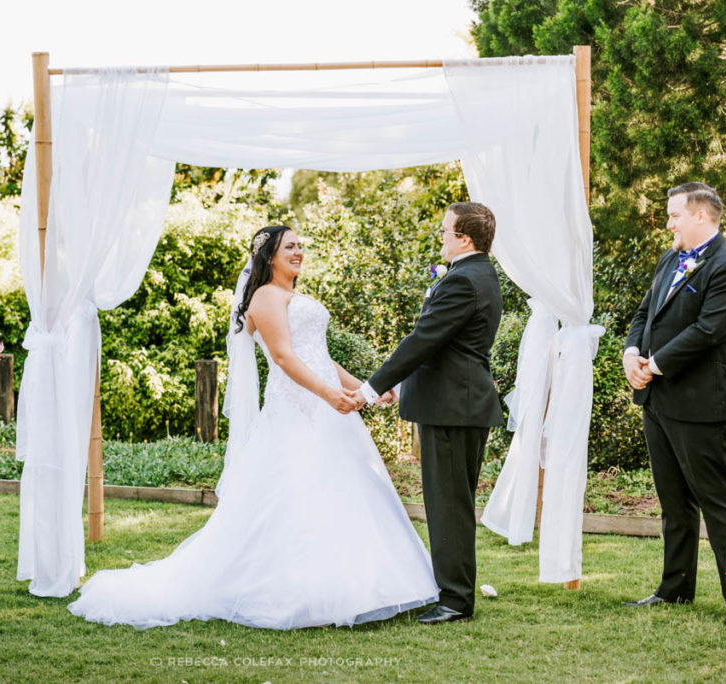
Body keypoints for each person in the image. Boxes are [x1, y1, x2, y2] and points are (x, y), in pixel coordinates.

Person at [68, 225, 439, 629]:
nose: (298, 252)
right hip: (295, 410)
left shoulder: (295, 297)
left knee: (343, 489)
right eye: (289, 246)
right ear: (269, 256)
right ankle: (296, 591)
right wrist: (328, 395)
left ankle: (359, 585)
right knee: (295, 493)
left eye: (300, 246)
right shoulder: (264, 296)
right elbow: (282, 357)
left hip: (326, 409)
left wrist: (365, 388)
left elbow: (320, 357)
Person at [355, 201, 505, 624]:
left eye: (444, 231)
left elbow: (423, 340)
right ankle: (453, 592)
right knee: (450, 503)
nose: (440, 236)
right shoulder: (476, 274)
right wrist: (401, 385)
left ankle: (455, 600)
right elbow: (445, 346)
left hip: (453, 408)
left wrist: (370, 388)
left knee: (448, 505)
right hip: (456, 403)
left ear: (464, 238)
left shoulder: (464, 281)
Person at [621, 182, 726, 624]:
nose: (668, 223)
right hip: (658, 399)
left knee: (718, 502)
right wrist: (631, 355)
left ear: (701, 215)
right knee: (673, 501)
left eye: (674, 215)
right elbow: (645, 313)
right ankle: (675, 588)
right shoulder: (670, 258)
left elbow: (708, 331)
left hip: (700, 403)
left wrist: (654, 364)